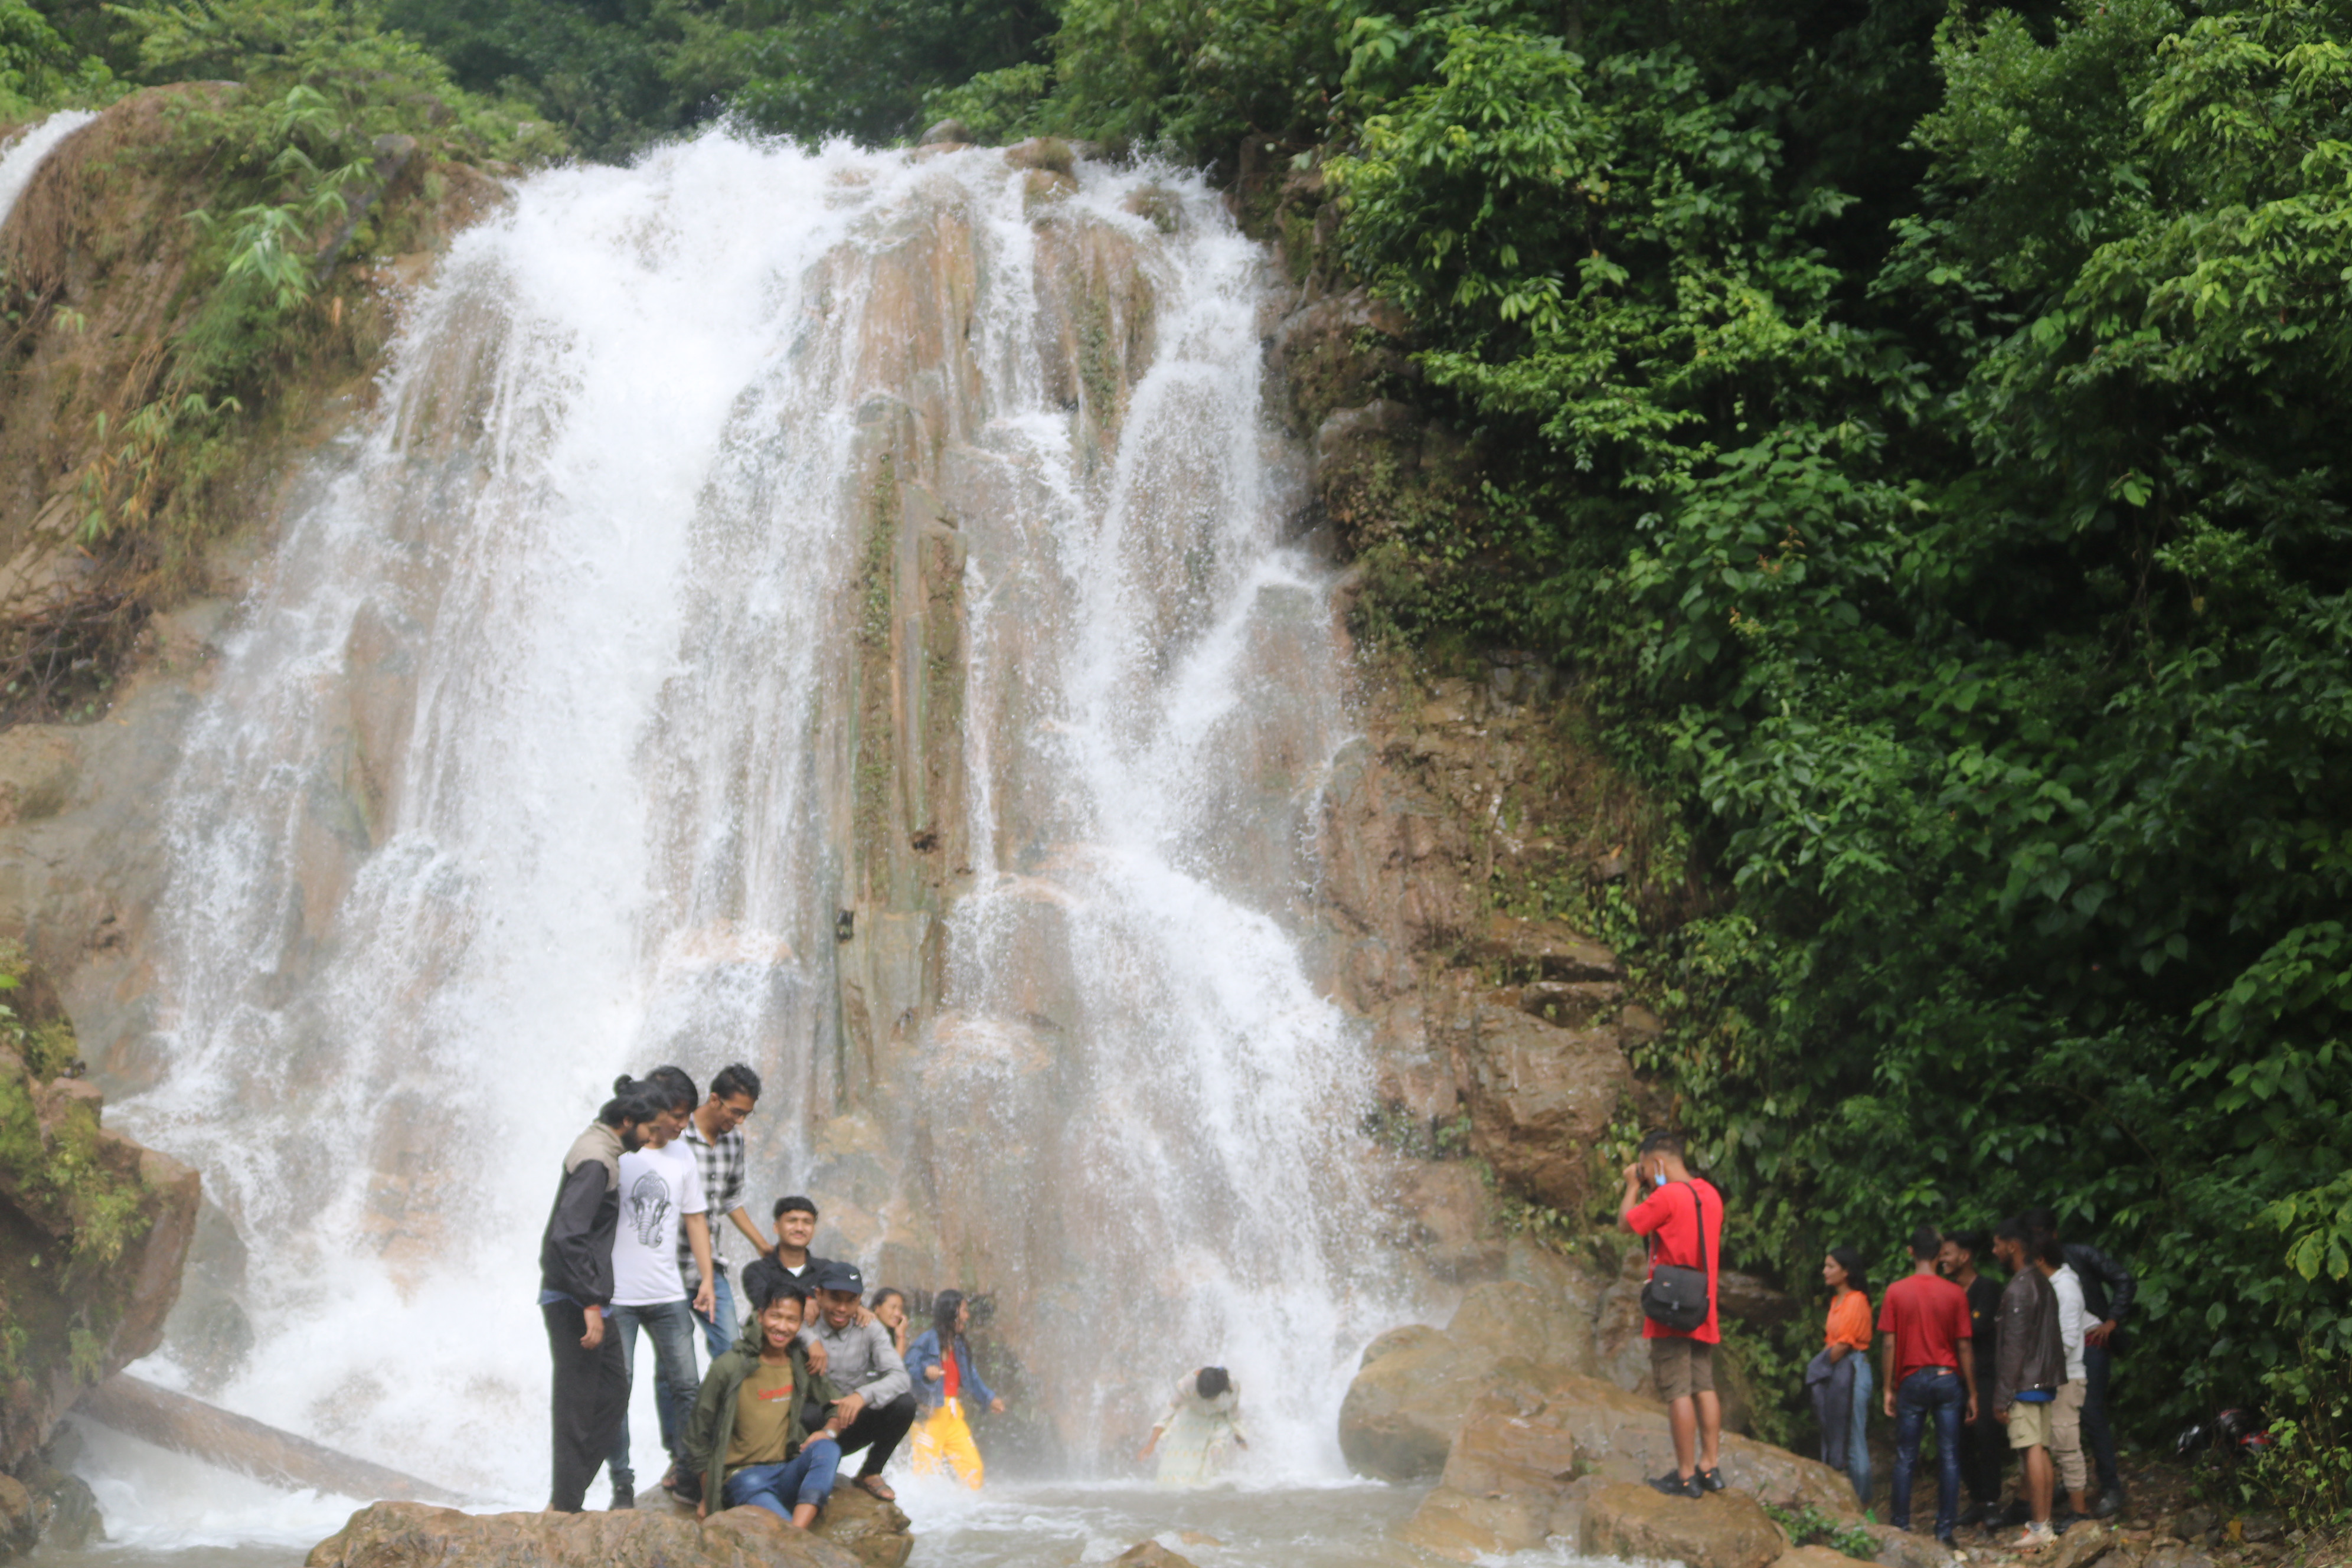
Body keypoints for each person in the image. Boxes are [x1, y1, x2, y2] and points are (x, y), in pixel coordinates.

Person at [537, 1080, 663, 1513]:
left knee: (611, 1391)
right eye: (649, 1129)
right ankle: (565, 1505)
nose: (651, 1139)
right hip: (574, 1299)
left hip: (588, 1296)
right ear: (627, 1122)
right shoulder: (595, 1159)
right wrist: (590, 1302)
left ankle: (568, 1497)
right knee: (579, 1401)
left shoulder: (605, 1150)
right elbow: (566, 1237)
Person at [605, 1067, 714, 1509]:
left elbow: (695, 1219)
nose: (683, 1125)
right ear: (658, 1110)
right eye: (678, 1116)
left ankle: (688, 1470)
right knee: (618, 1389)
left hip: (668, 1293)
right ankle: (622, 1483)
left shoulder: (683, 1155)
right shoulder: (621, 1151)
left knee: (687, 1384)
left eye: (688, 1117)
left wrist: (706, 1278)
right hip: (618, 1298)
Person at [678, 1274, 850, 1528]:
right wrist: (708, 1495)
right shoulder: (729, 1366)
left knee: (828, 1449)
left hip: (786, 1471)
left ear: (800, 1324)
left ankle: (797, 1533)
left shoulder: (800, 1364)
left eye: (792, 1320)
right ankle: (794, 1537)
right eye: (775, 1316)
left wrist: (829, 1431)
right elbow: (697, 1436)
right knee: (774, 1525)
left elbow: (835, 1403)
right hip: (743, 1478)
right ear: (760, 1316)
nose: (782, 1327)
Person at [1618, 1129, 1725, 1499]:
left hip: (1669, 1305)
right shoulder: (1709, 1194)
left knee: (1678, 1390)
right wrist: (1655, 1186)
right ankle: (1710, 1466)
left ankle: (1684, 1475)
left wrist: (1634, 1186)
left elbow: (1627, 1223)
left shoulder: (1665, 1197)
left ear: (1657, 1162)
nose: (1644, 1172)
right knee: (1704, 1385)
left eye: (1645, 1166)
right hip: (1703, 1303)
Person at [2024, 1206, 2136, 1515]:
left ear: (2054, 1235)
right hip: (2064, 1349)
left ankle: (2111, 1487)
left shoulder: (2078, 1258)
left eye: (2042, 1236)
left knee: (2090, 1412)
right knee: (2061, 1419)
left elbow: (2124, 1279)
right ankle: (2073, 1484)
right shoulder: (2038, 1268)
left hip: (2090, 1343)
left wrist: (2111, 1321)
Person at [1879, 1225, 1978, 1547]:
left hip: (1911, 1378)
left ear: (1910, 1252)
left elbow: (1889, 1343)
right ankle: (1944, 1530)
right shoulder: (1955, 1294)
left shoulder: (1896, 1291)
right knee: (1950, 1456)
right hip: (1948, 1378)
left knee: (1906, 1456)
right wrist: (1974, 1392)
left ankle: (1900, 1526)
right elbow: (1964, 1346)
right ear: (1939, 1255)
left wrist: (1888, 1387)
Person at [680, 1064, 775, 1360]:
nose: (740, 1120)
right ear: (714, 1099)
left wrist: (762, 1245)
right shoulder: (677, 1134)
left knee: (732, 1349)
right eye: (735, 1112)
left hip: (708, 1265)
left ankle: (721, 1408)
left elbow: (731, 1199)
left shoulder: (733, 1140)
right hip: (667, 1266)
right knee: (676, 1363)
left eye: (746, 1114)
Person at [805, 1262, 917, 1501]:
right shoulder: (804, 1321)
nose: (843, 1308)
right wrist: (806, 1334)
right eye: (835, 1299)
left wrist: (861, 1396)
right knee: (808, 1412)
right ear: (819, 1295)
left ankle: (870, 1472)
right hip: (811, 1426)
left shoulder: (870, 1327)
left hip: (851, 1422)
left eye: (851, 1300)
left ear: (860, 1301)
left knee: (905, 1404)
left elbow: (900, 1377)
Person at [1991, 1219, 2066, 1551]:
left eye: (1997, 1245)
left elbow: (2015, 1346)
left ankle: (2039, 1526)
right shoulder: (2042, 1282)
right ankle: (2044, 1524)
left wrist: (2002, 1396)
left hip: (2025, 1381)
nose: (1994, 1251)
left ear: (2013, 1246)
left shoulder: (2020, 1287)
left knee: (2031, 1449)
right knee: (2041, 1449)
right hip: (2044, 1379)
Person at [1937, 1228, 2008, 1527]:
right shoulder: (1948, 1289)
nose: (1942, 1260)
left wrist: (1954, 1326)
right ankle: (1977, 1498)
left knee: (1987, 1432)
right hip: (1955, 1373)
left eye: (1948, 1254)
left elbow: (1977, 1329)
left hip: (1985, 1371)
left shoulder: (1988, 1287)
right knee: (1958, 1438)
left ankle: (1992, 1500)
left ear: (1965, 1257)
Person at [908, 1289, 1004, 1488]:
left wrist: (988, 1398)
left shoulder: (959, 1345)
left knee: (973, 1467)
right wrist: (926, 1371)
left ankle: (968, 1514)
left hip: (952, 1413)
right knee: (926, 1470)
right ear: (951, 1312)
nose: (967, 1316)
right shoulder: (927, 1340)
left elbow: (972, 1376)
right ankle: (925, 1514)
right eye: (964, 1310)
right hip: (930, 1411)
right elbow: (906, 1368)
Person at [1807, 1247, 1873, 1510]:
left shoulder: (1856, 1300)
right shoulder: (1837, 1302)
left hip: (1853, 1368)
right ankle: (1845, 1504)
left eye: (1831, 1266)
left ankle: (1864, 1505)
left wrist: (1817, 1368)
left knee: (1854, 1438)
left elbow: (1844, 1344)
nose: (1825, 1271)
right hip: (1836, 1368)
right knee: (1834, 1433)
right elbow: (1831, 1342)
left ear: (1847, 1272)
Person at [2036, 1238, 2095, 1526]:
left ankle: (2080, 1513)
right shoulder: (2057, 1285)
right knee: (2056, 1444)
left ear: (2039, 1260)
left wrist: (2037, 1364)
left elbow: (2069, 1341)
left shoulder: (2066, 1290)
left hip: (2066, 1378)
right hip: (2056, 1377)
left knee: (2067, 1445)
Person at [1139, 1367, 1248, 1485]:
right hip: (1193, 1419)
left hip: (1219, 1420)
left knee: (1216, 1454)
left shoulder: (1232, 1387)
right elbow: (1168, 1413)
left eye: (1212, 1398)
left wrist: (1240, 1438)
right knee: (1182, 1462)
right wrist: (1151, 1444)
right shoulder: (1186, 1385)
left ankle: (1209, 1487)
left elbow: (1234, 1415)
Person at [871, 1288, 910, 1362]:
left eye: (900, 1309)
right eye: (893, 1307)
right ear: (877, 1308)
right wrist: (901, 1337)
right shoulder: (870, 1332)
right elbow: (895, 1365)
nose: (898, 1313)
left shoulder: (887, 1332)